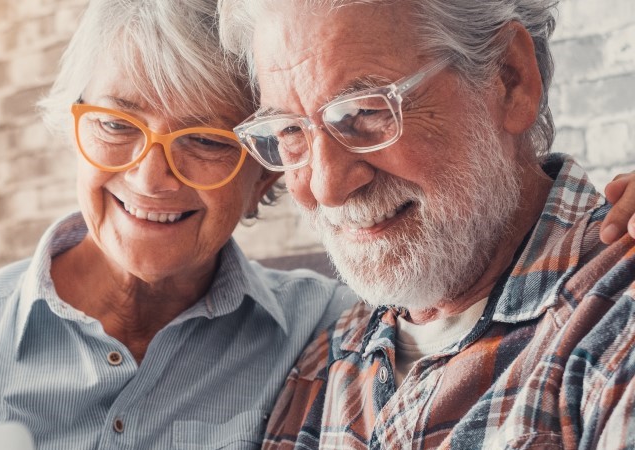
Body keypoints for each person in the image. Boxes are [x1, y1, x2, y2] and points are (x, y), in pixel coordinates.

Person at [0, 1, 356, 448]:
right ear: (74, 124)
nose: (151, 179)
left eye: (206, 140)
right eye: (114, 124)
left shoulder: (325, 332)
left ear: (265, 176)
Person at [218, 0, 635, 448]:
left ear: (509, 79)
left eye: (365, 111)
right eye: (290, 132)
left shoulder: (615, 321)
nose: (326, 187)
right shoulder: (322, 358)